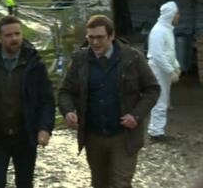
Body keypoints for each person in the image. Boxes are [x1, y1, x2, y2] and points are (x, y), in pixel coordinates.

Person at [59, 15, 160, 188]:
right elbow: (65, 91)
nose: (95, 42)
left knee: (121, 182)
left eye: (100, 37)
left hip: (124, 136)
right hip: (93, 136)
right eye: (91, 38)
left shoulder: (132, 57)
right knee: (99, 183)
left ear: (111, 36)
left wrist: (136, 115)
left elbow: (153, 89)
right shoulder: (80, 60)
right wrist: (68, 111)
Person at [0, 15, 55, 188]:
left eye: (17, 34)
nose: (14, 38)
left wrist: (45, 128)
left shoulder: (34, 64)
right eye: (9, 35)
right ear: (0, 38)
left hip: (25, 135)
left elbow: (46, 99)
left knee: (24, 183)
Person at [147, 1, 181, 142]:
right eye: (177, 14)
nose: (179, 16)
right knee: (159, 100)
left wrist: (176, 66)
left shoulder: (166, 29)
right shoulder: (159, 31)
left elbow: (169, 52)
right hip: (158, 70)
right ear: (171, 14)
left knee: (163, 100)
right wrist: (170, 70)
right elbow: (157, 55)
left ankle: (158, 130)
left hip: (163, 70)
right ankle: (155, 132)